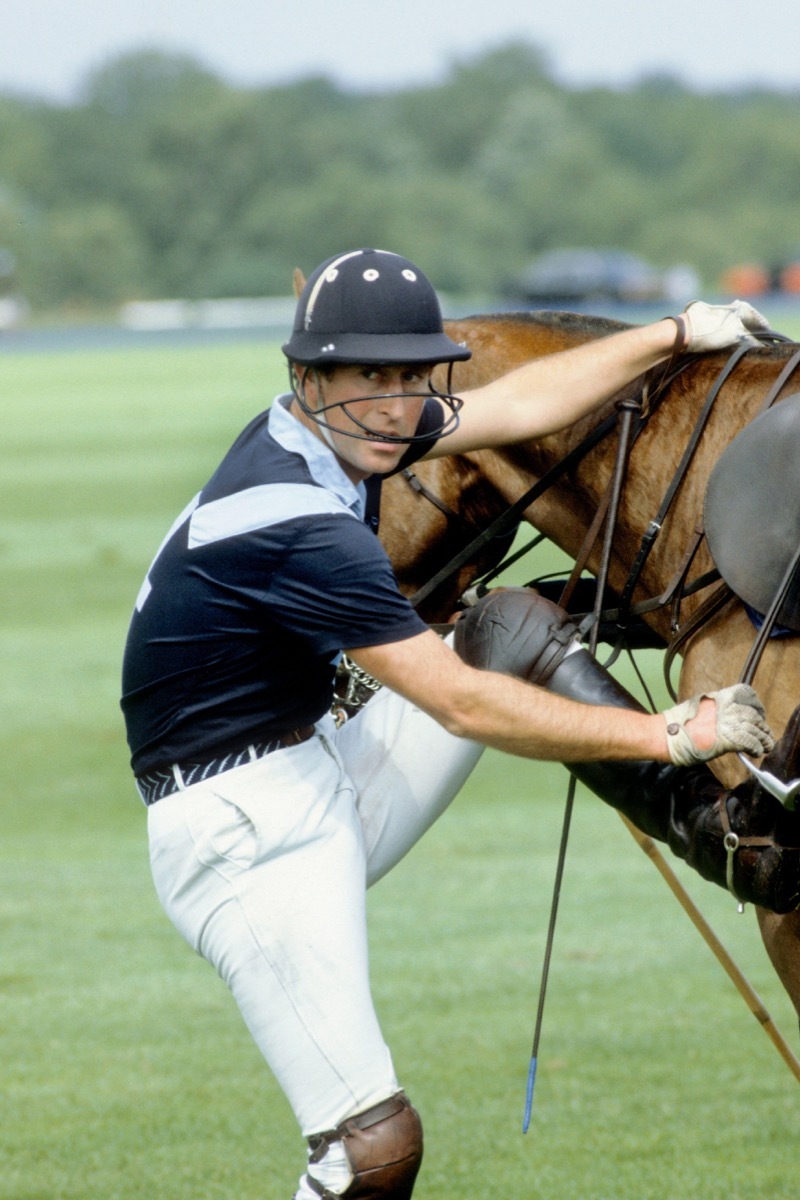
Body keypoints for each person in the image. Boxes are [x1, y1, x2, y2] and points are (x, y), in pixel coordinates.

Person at [120, 248, 798, 1199]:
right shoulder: (296, 523)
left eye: (410, 376)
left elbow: (516, 407)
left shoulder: (333, 434)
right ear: (306, 376)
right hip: (237, 833)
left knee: (509, 630)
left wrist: (675, 332)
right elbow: (456, 702)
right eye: (371, 377)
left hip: (322, 767)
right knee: (368, 1154)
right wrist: (670, 735)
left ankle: (725, 836)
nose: (399, 404)